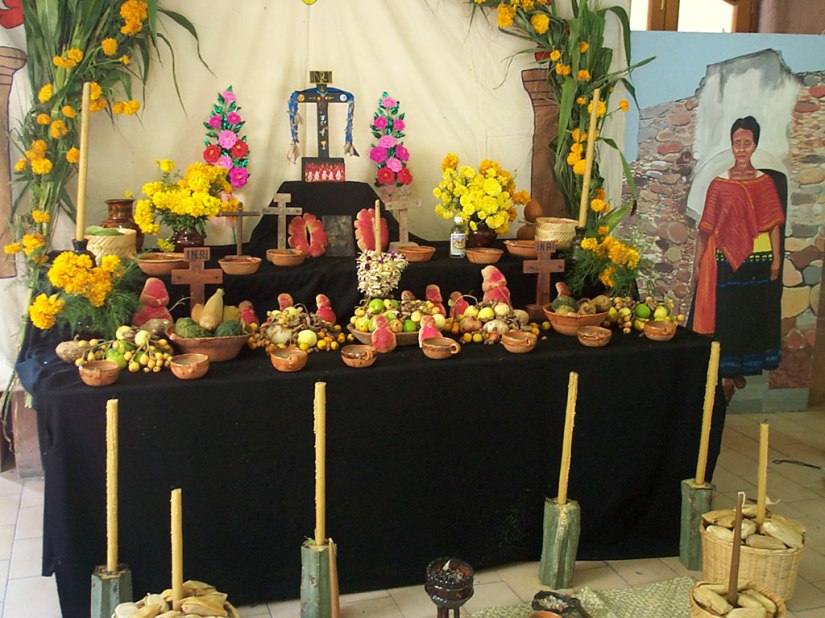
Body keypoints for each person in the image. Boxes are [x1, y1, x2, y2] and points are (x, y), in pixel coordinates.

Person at [690, 116, 786, 402]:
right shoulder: (718, 184)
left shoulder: (765, 183)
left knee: (750, 315)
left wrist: (777, 259)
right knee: (728, 316)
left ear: (755, 145)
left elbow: (773, 224)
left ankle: (741, 368)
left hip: (758, 258)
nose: (741, 149)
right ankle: (727, 374)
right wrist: (697, 263)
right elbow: (706, 227)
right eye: (737, 143)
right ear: (731, 145)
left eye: (747, 143)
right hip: (724, 260)